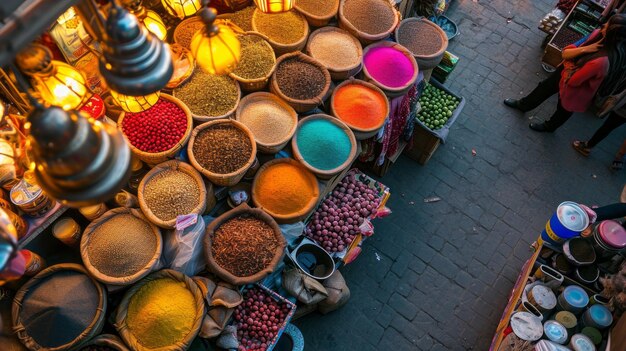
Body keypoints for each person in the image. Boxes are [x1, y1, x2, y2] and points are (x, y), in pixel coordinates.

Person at [503, 14, 626, 132]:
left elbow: (574, 80)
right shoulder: (596, 34)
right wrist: (586, 49)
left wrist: (570, 60)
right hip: (565, 73)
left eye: (607, 24)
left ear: (612, 33)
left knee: (564, 109)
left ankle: (549, 127)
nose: (603, 25)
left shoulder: (602, 61)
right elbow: (566, 52)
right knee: (544, 87)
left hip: (577, 88)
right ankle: (523, 105)